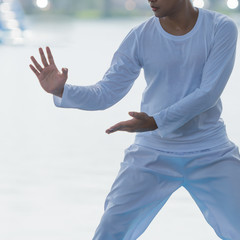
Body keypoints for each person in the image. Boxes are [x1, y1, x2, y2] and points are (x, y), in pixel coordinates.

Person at [29, 0, 240, 239]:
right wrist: (62, 91)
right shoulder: (140, 36)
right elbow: (106, 92)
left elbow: (208, 93)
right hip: (152, 153)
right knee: (108, 233)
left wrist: (155, 121)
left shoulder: (221, 27)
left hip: (210, 151)